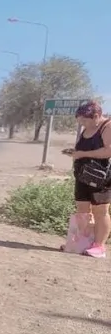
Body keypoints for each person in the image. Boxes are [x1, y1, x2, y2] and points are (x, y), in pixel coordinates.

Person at [65, 100, 111, 258]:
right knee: (82, 209)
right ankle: (82, 243)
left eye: (84, 121)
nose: (82, 124)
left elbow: (108, 151)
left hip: (101, 178)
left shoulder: (107, 127)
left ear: (96, 116)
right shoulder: (87, 128)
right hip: (82, 175)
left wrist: (83, 154)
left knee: (101, 211)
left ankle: (99, 246)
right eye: (80, 121)